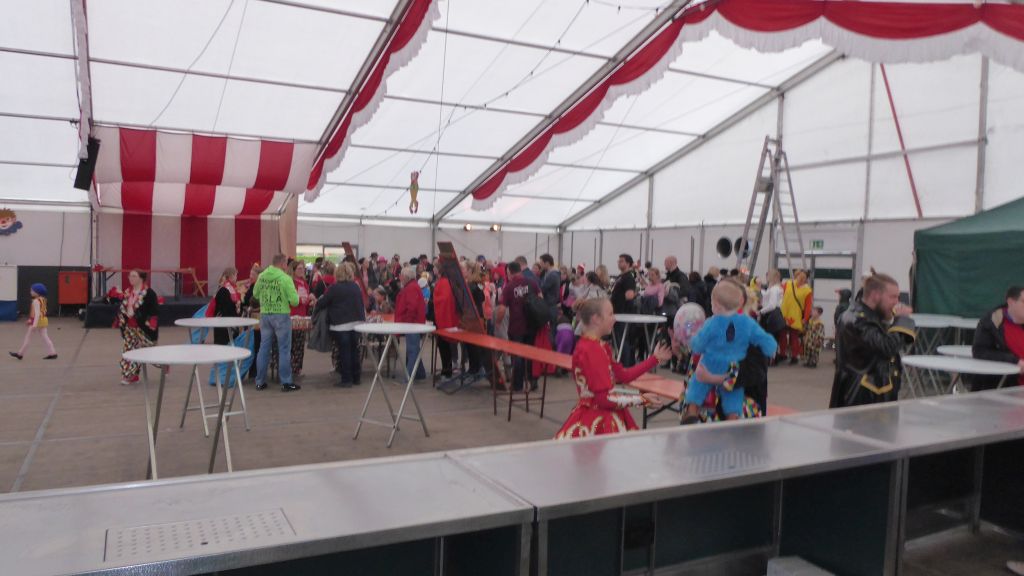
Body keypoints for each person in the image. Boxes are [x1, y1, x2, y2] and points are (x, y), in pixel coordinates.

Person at [555, 298, 671, 439]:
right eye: (610, 314)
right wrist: (641, 399)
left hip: (594, 414)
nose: (614, 319)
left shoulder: (597, 346)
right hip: (599, 421)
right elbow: (604, 399)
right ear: (596, 319)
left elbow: (624, 375)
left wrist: (655, 359)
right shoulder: (593, 350)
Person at [682, 281, 778, 424]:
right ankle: (732, 417)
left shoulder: (713, 323)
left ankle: (692, 409)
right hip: (727, 373)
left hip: (717, 379)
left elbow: (698, 344)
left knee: (698, 386)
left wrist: (713, 378)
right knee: (733, 398)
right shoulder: (747, 325)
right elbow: (767, 341)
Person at [829, 272, 916, 408]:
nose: (897, 302)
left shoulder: (868, 316)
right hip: (861, 399)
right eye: (893, 297)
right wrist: (902, 320)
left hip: (872, 397)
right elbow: (887, 347)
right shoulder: (858, 320)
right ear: (875, 295)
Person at [253, 254, 300, 392]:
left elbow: (255, 294)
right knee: (284, 349)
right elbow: (295, 301)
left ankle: (260, 381)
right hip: (281, 316)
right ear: (282, 263)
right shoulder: (285, 279)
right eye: (286, 264)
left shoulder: (262, 277)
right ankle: (286, 382)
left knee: (264, 348)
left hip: (265, 315)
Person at [497, 261, 541, 392]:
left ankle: (517, 385)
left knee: (518, 356)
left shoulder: (509, 287)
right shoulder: (532, 283)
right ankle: (532, 381)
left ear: (509, 272)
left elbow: (502, 309)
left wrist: (498, 322)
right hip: (532, 325)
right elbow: (541, 298)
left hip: (516, 326)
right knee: (530, 353)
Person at [970, 285, 1024, 390]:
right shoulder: (992, 323)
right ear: (1011, 302)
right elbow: (980, 352)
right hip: (1003, 386)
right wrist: (1015, 361)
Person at [116, 270, 159, 386]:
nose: (131, 278)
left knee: (150, 352)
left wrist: (150, 327)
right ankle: (130, 375)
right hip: (129, 328)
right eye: (130, 276)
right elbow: (122, 308)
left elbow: (154, 313)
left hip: (143, 328)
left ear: (141, 278)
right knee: (128, 352)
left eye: (134, 276)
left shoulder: (149, 293)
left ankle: (164, 363)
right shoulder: (127, 292)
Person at [395, 265, 428, 381]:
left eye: (401, 276)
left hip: (412, 324)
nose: (400, 278)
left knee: (412, 350)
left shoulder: (411, 288)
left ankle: (408, 376)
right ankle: (420, 373)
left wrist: (407, 323)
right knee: (414, 349)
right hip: (413, 323)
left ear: (406, 277)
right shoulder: (413, 287)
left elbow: (412, 308)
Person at [9, 283, 57, 360]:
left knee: (28, 338)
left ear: (37, 292)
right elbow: (40, 312)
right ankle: (53, 353)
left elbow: (37, 314)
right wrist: (31, 320)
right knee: (45, 337)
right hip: (43, 319)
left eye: (32, 290)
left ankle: (20, 354)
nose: (30, 292)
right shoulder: (44, 299)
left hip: (37, 321)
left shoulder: (36, 301)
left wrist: (34, 324)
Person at [779, 270, 813, 364]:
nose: (801, 278)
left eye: (803, 277)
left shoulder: (807, 290)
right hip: (784, 314)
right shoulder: (787, 284)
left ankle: (794, 356)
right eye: (799, 276)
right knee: (782, 335)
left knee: (794, 336)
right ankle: (782, 354)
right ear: (796, 276)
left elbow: (808, 306)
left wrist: (805, 318)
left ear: (806, 279)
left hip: (796, 315)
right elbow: (779, 294)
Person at [611, 254, 638, 366]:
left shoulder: (628, 278)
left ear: (628, 263)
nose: (619, 263)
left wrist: (618, 298)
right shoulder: (621, 277)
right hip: (617, 313)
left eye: (622, 261)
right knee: (619, 341)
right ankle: (624, 364)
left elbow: (630, 295)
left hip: (623, 313)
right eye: (619, 261)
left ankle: (626, 366)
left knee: (623, 340)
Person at [289, 261, 315, 378]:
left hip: (302, 316)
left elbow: (306, 299)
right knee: (292, 344)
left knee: (300, 344)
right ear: (293, 270)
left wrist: (310, 300)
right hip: (292, 316)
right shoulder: (291, 283)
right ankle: (290, 368)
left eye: (302, 268)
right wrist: (303, 300)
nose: (302, 270)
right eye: (299, 269)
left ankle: (297, 369)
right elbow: (291, 299)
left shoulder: (304, 283)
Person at [212, 268, 241, 346]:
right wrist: (237, 309)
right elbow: (227, 308)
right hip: (225, 325)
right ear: (231, 276)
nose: (237, 278)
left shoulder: (225, 288)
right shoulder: (225, 289)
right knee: (225, 346)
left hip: (223, 323)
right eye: (236, 276)